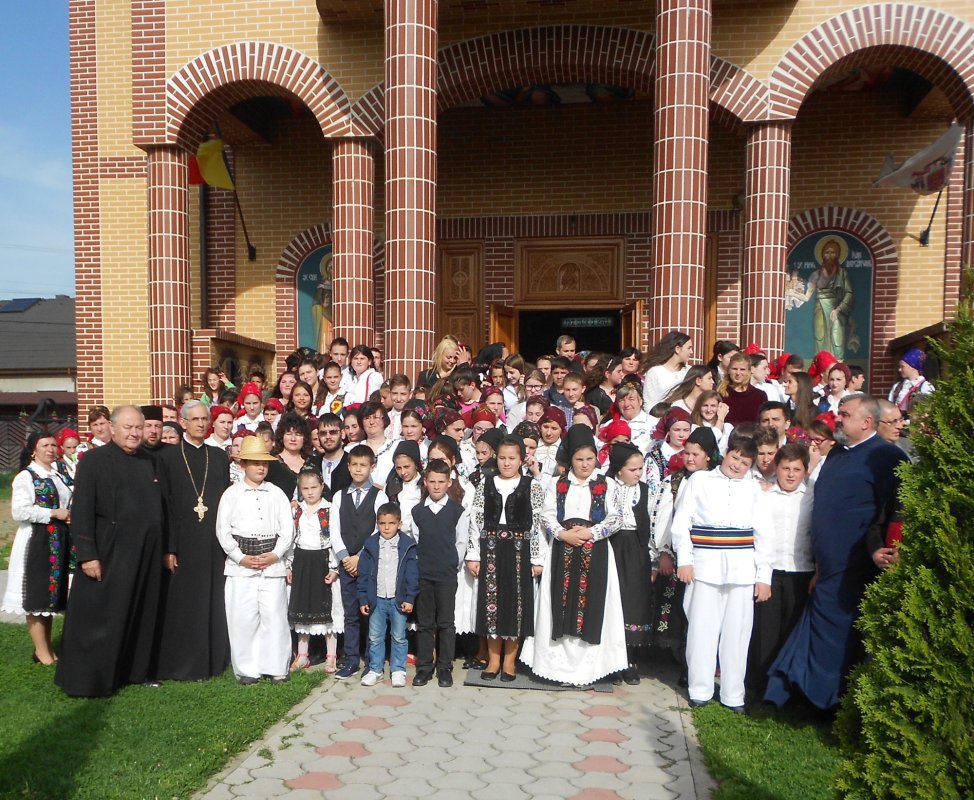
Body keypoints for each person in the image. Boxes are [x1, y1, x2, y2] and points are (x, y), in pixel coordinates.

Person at [765, 394, 908, 710]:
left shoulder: (887, 457)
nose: (837, 419)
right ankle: (800, 695)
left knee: (840, 637)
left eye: (844, 414)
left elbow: (893, 513)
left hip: (857, 566)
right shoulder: (837, 454)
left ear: (866, 422)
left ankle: (830, 703)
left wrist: (881, 549)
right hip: (827, 566)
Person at [55, 406, 164, 697]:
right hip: (108, 550)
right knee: (102, 616)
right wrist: (87, 554)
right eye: (128, 427)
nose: (135, 433)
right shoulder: (93, 461)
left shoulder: (148, 460)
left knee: (139, 611)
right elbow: (82, 510)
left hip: (144, 551)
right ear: (112, 429)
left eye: (138, 427)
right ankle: (91, 680)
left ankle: (134, 671)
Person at [671, 435, 774, 711]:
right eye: (735, 457)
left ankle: (733, 695)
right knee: (701, 630)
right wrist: (685, 560)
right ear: (726, 453)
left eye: (745, 462)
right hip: (704, 565)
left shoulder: (754, 489)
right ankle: (700, 690)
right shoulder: (700, 480)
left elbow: (765, 535)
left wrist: (763, 577)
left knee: (737, 634)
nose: (737, 465)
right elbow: (681, 523)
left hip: (742, 569)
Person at [522, 425, 626, 685]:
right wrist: (562, 534)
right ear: (570, 459)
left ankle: (588, 670)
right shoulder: (558, 483)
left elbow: (616, 518)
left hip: (596, 552)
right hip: (562, 550)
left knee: (593, 605)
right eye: (579, 459)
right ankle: (557, 669)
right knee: (559, 603)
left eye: (590, 459)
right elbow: (546, 515)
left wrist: (592, 532)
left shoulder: (607, 484)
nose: (585, 464)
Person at [154, 400, 232, 681]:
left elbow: (226, 502)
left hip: (213, 541)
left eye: (204, 419)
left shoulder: (219, 456)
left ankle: (214, 660)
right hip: (183, 541)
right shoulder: (168, 457)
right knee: (185, 603)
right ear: (183, 422)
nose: (200, 423)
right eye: (195, 419)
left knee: (213, 601)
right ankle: (184, 662)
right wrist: (170, 547)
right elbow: (165, 505)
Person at [215, 435, 295, 684]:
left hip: (272, 563)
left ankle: (277, 666)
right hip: (241, 566)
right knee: (243, 617)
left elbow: (288, 529)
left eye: (264, 463)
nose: (261, 468)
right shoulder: (231, 494)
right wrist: (240, 557)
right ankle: (248, 669)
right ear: (243, 464)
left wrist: (275, 554)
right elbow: (223, 530)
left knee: (274, 616)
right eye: (255, 463)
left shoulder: (276, 493)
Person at [466, 436, 546, 680]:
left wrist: (537, 558)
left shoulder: (532, 485)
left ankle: (510, 662)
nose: (507, 463)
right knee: (491, 602)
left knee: (516, 605)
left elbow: (538, 524)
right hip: (490, 547)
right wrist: (473, 554)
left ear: (522, 460)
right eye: (502, 458)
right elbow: (476, 520)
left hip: (519, 549)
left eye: (512, 458)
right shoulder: (486, 483)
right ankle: (493, 661)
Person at [746, 444, 814, 698]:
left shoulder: (812, 496)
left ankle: (787, 692)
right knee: (766, 632)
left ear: (805, 471)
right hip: (770, 573)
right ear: (777, 468)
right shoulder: (763, 494)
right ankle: (759, 688)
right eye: (786, 468)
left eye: (797, 469)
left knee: (791, 630)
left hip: (801, 571)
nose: (791, 474)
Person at [2, 431, 73, 665]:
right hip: (37, 540)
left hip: (58, 539)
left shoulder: (58, 473)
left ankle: (46, 648)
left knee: (49, 596)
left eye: (53, 445)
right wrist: (54, 513)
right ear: (33, 450)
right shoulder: (26, 477)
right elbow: (19, 511)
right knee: (37, 594)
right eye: (45, 445)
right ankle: (42, 652)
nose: (51, 449)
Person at [330, 445, 390, 680]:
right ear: (348, 466)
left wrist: (360, 557)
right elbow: (334, 531)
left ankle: (373, 661)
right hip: (346, 564)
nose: (358, 469)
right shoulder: (339, 496)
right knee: (351, 614)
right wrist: (346, 558)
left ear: (372, 467)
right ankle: (351, 659)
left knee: (371, 612)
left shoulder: (379, 496)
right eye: (354, 464)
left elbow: (379, 529)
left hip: (369, 563)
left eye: (363, 465)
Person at [411, 459, 470, 688]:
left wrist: (452, 565)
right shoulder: (418, 512)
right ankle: (424, 667)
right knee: (425, 623)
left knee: (446, 623)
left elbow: (461, 542)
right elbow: (417, 540)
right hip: (424, 574)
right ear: (425, 482)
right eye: (432, 481)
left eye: (441, 482)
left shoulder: (457, 511)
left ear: (449, 483)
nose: (436, 486)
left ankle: (445, 668)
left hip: (446, 574)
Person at [605, 442, 653, 684]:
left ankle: (630, 661)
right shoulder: (606, 486)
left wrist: (654, 557)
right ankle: (611, 662)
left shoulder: (644, 490)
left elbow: (652, 522)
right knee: (612, 601)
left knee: (633, 603)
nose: (638, 473)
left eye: (640, 468)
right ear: (618, 469)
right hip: (611, 545)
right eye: (632, 469)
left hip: (636, 549)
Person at [357, 504, 419, 688]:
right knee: (375, 636)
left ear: (399, 524)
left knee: (398, 636)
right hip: (376, 598)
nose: (386, 527)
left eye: (391, 523)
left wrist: (410, 598)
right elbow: (363, 574)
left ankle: (398, 670)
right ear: (377, 524)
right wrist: (363, 598)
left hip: (397, 599)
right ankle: (375, 670)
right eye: (382, 523)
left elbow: (412, 575)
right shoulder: (370, 545)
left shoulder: (407, 546)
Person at [288, 469, 342, 674]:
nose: (310, 492)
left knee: (328, 608)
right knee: (303, 606)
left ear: (322, 487)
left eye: (314, 487)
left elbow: (335, 538)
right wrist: (289, 565)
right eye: (305, 488)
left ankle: (331, 656)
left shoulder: (330, 509)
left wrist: (334, 567)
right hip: (302, 560)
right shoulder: (297, 510)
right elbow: (291, 539)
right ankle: (303, 654)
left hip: (323, 559)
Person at [798, 237, 857, 359]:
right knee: (820, 335)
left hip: (836, 308)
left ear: (838, 255)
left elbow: (849, 293)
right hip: (819, 307)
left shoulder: (842, 273)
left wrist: (838, 309)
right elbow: (807, 296)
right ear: (822, 255)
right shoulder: (816, 274)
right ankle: (820, 363)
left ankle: (838, 364)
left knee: (837, 337)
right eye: (827, 252)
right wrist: (793, 293)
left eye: (833, 252)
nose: (829, 255)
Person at [719, 352, 767, 425]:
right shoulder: (720, 394)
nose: (738, 373)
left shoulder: (759, 395)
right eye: (734, 369)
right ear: (728, 370)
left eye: (742, 369)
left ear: (749, 371)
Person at [888, 347, 934, 422]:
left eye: (902, 366)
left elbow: (927, 411)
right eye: (899, 367)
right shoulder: (897, 386)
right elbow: (889, 405)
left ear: (912, 367)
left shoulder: (925, 387)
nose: (899, 370)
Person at [877, 399, 918, 463]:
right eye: (893, 422)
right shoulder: (862, 451)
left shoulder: (910, 448)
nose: (900, 426)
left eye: (900, 420)